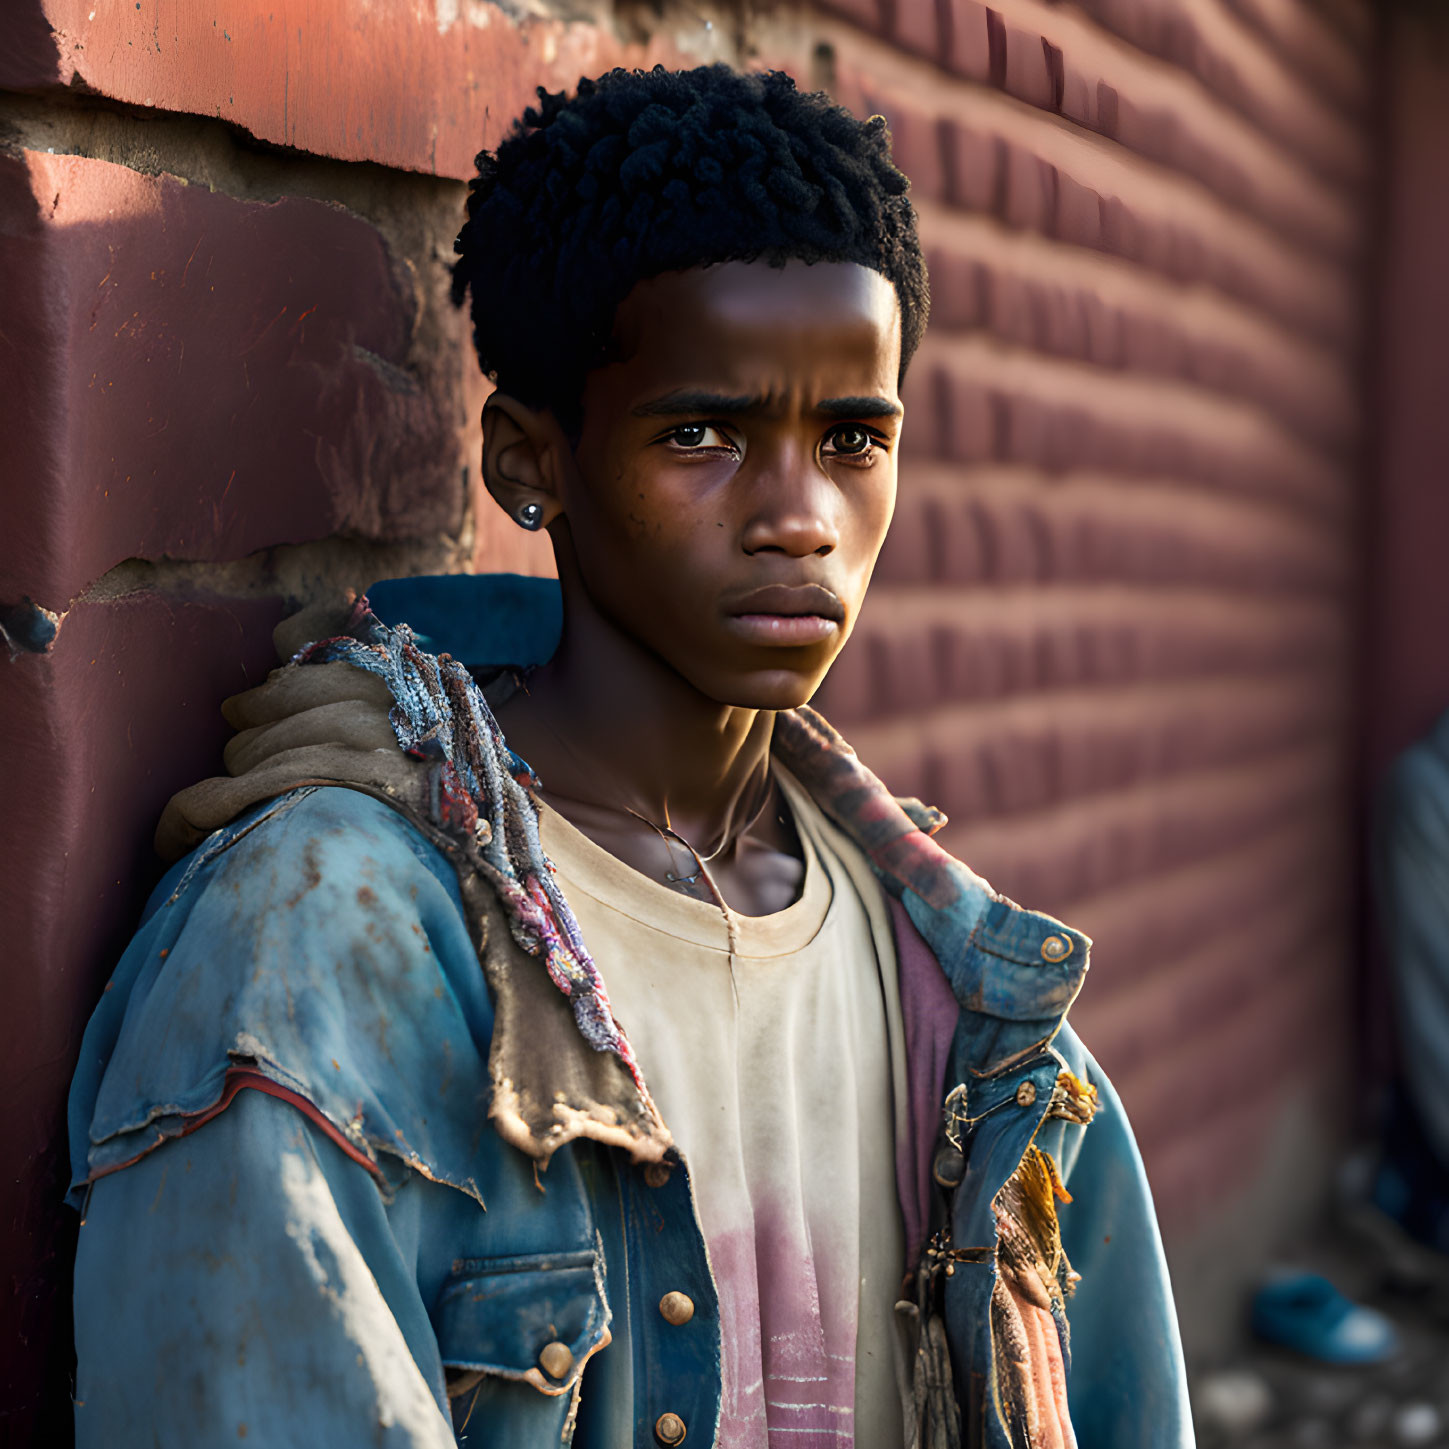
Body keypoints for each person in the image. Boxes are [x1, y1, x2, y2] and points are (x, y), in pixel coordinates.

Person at [66, 65, 1190, 1448]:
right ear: (529, 461)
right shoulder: (315, 947)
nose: (799, 517)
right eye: (702, 434)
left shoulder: (967, 992)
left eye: (853, 438)